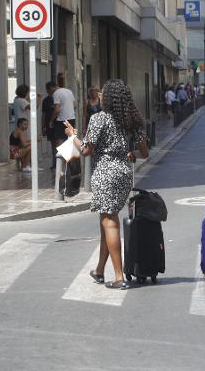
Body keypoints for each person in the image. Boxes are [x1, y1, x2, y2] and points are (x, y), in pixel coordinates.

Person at [63, 79, 149, 290]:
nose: (100, 96)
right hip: (124, 174)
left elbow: (85, 151)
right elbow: (144, 153)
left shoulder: (98, 119)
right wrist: (131, 153)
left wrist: (73, 136)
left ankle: (119, 276)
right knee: (106, 220)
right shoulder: (132, 120)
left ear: (109, 98)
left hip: (105, 174)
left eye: (102, 93)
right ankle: (100, 269)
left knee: (109, 221)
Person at [50, 81, 77, 148]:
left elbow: (56, 110)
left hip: (61, 120)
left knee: (60, 140)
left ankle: (61, 158)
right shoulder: (69, 91)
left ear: (51, 88)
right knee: (70, 139)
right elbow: (75, 105)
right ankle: (70, 157)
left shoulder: (56, 93)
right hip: (72, 118)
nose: (49, 93)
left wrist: (51, 120)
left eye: (49, 91)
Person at [42, 82, 57, 169]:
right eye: (48, 90)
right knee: (53, 144)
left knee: (60, 143)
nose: (49, 92)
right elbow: (43, 114)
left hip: (59, 123)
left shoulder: (58, 97)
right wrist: (43, 126)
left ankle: (60, 163)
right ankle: (55, 163)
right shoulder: (46, 100)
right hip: (49, 125)